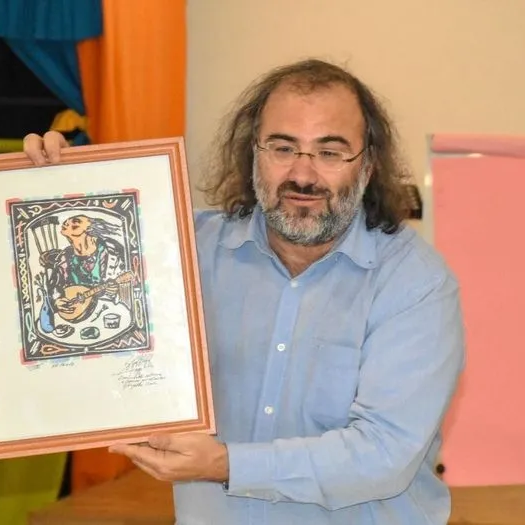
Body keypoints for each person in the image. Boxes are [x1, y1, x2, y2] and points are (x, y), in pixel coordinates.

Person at [24, 59, 466, 524]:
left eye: (330, 152)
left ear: (368, 166)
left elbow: (382, 454)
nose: (303, 175)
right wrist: (56, 185)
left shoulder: (416, 284)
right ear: (252, 152)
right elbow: (85, 317)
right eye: (283, 147)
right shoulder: (182, 252)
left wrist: (226, 464)